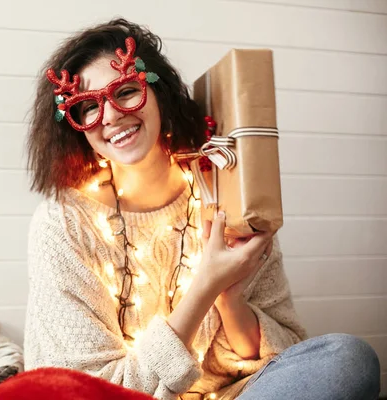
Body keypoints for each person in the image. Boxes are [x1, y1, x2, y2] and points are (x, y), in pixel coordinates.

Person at [23, 18, 380, 400]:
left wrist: (229, 299)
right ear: (75, 125)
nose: (110, 115)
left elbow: (287, 354)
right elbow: (89, 391)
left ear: (160, 94)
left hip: (230, 396)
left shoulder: (225, 190)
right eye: (87, 107)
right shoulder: (63, 224)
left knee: (348, 358)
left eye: (126, 91)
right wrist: (206, 285)